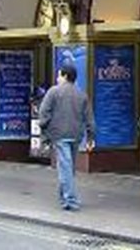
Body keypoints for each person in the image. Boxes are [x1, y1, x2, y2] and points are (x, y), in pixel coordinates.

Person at [38, 62, 95, 211]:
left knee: (65, 168)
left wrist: (44, 130)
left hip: (59, 134)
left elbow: (44, 113)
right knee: (69, 167)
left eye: (59, 75)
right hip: (76, 135)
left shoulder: (53, 92)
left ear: (65, 76)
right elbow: (89, 118)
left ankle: (70, 200)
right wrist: (90, 137)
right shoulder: (81, 95)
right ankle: (64, 197)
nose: (57, 78)